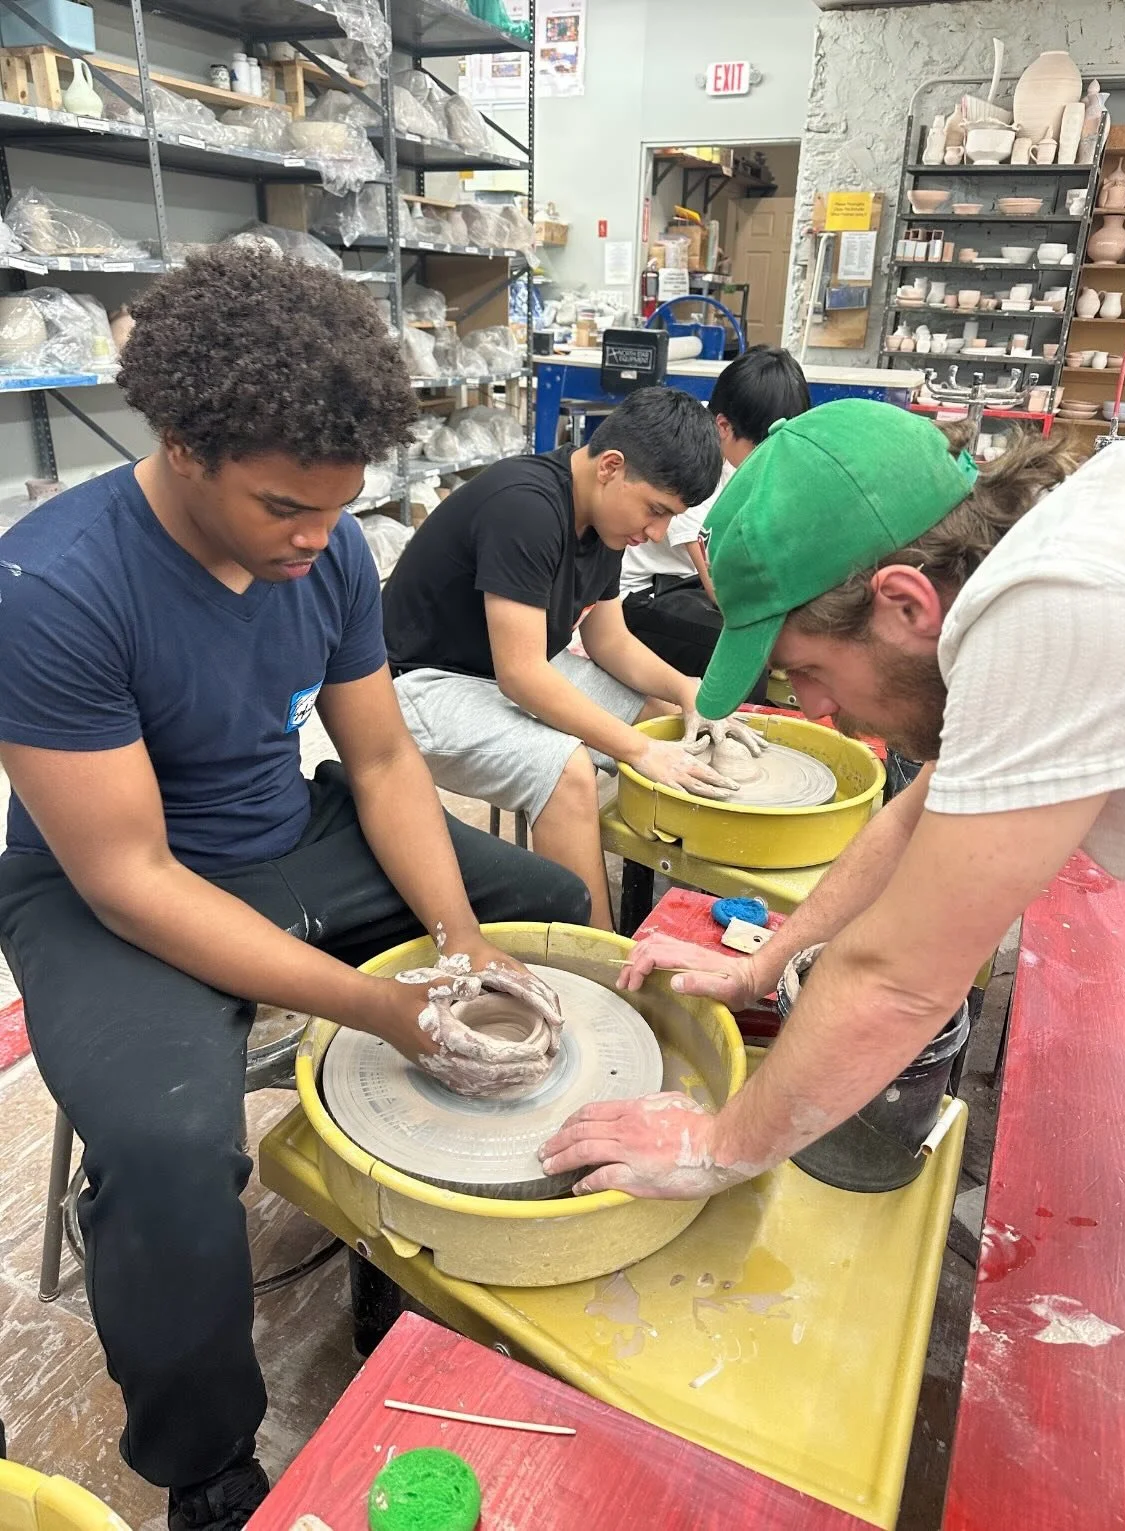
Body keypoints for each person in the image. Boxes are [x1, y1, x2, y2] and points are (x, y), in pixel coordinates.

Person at [0, 248, 589, 1530]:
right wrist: (378, 1008)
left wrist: (458, 939)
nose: (317, 543)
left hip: (285, 832)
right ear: (181, 443)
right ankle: (204, 1466)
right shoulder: (51, 588)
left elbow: (379, 759)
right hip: (116, 891)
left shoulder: (321, 554)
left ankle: (412, 1245)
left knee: (548, 909)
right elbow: (133, 879)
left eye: (337, 511)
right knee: (161, 1152)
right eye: (283, 509)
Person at [539, 400, 1125, 1197]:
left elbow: (901, 977)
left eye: (807, 669)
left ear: (904, 602)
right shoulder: (1046, 561)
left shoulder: (1060, 606)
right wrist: (763, 962)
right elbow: (916, 816)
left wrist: (714, 1145)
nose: (811, 709)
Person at [383, 386, 762, 930]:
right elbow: (522, 677)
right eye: (656, 512)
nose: (655, 534)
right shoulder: (527, 507)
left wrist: (691, 693)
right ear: (611, 466)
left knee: (664, 718)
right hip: (421, 686)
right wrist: (636, 751)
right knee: (567, 771)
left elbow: (610, 642)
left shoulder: (605, 521)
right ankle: (602, 961)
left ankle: (684, 895)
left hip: (503, 668)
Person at [619, 345, 811, 700]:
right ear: (723, 426)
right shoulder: (694, 466)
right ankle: (727, 741)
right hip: (643, 597)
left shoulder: (744, 457)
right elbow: (722, 594)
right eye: (763, 450)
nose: (771, 461)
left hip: (689, 585)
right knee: (745, 660)